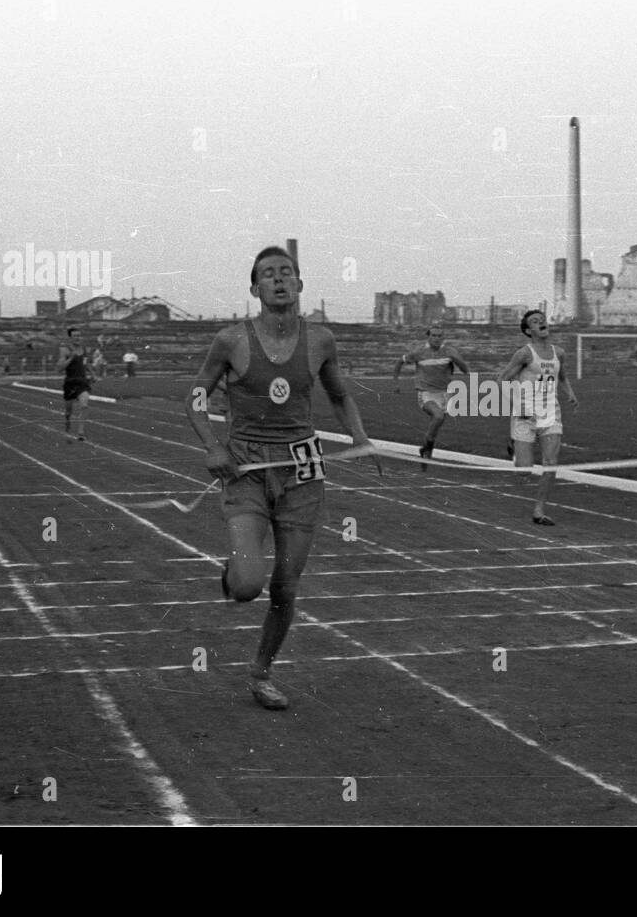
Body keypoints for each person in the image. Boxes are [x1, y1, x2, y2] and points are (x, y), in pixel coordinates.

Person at [186, 245, 378, 710]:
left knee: (285, 588)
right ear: (254, 288)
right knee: (249, 585)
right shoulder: (231, 340)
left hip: (302, 474)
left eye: (286, 272)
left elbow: (339, 394)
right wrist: (212, 446)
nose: (278, 279)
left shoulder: (321, 341)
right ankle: (235, 573)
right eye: (268, 274)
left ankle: (261, 672)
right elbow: (195, 395)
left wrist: (360, 436)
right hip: (247, 472)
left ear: (299, 284)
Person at [498, 309, 578, 525]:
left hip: (550, 414)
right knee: (524, 471)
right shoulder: (524, 354)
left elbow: (562, 376)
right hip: (525, 415)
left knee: (551, 463)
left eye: (542, 319)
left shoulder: (558, 352)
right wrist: (517, 405)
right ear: (528, 330)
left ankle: (539, 510)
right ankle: (515, 446)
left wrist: (570, 393)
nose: (541, 322)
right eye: (535, 321)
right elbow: (502, 379)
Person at [392, 324, 470, 467]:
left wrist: (456, 359)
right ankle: (428, 448)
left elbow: (465, 370)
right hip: (426, 393)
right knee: (438, 416)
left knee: (437, 423)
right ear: (428, 337)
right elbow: (399, 362)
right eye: (433, 335)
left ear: (443, 338)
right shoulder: (419, 352)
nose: (436, 338)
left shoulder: (450, 351)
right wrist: (396, 383)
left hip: (445, 394)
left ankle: (426, 448)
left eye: (439, 336)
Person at [57, 327, 92, 442]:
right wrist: (71, 358)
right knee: (68, 411)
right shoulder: (65, 349)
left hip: (82, 381)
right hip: (70, 382)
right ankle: (67, 422)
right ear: (70, 337)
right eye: (75, 336)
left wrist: (93, 374)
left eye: (79, 335)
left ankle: (81, 432)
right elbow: (60, 368)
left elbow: (85, 364)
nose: (77, 338)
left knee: (84, 404)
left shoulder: (83, 349)